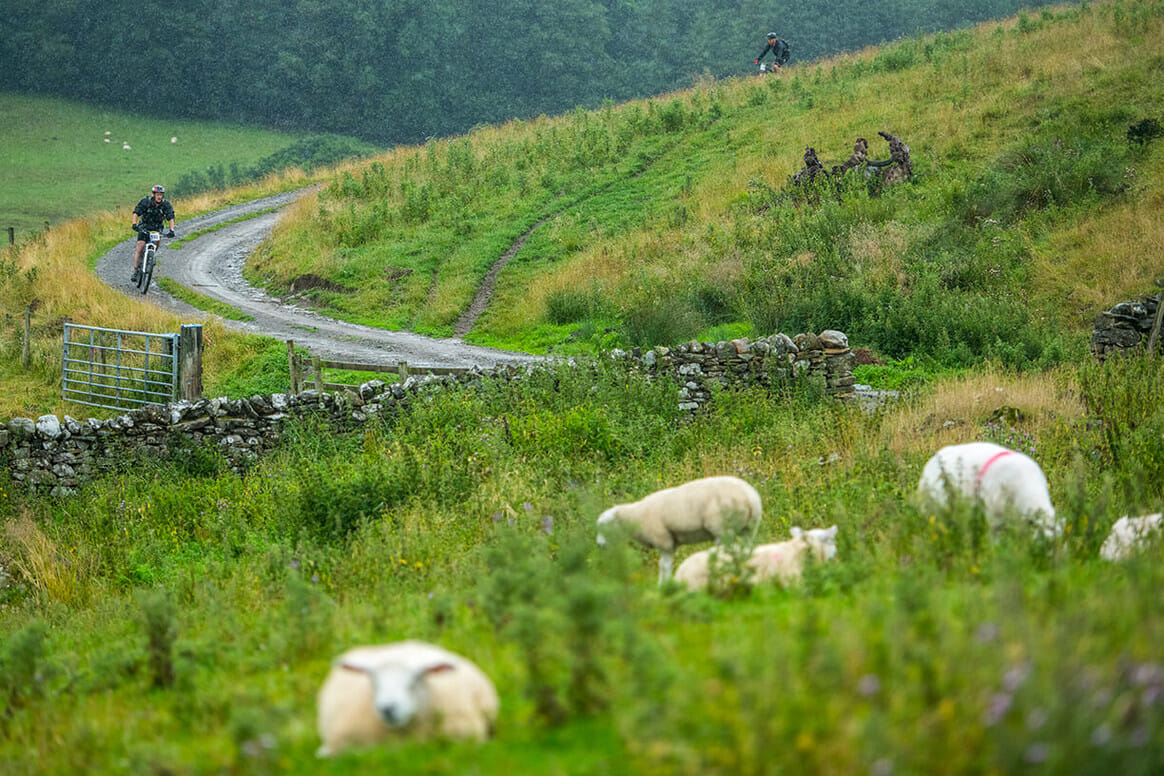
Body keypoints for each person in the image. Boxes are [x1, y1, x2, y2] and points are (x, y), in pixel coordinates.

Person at [130, 185, 176, 282]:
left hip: (157, 228)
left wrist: (172, 230)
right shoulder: (146, 202)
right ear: (153, 195)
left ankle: (150, 258)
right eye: (158, 195)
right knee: (140, 246)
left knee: (156, 244)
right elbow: (136, 212)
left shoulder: (165, 204)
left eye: (161, 195)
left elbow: (171, 217)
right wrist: (134, 224)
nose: (159, 197)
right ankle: (135, 271)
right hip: (144, 226)